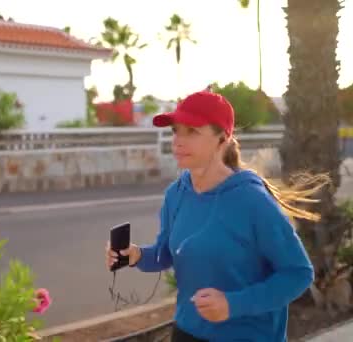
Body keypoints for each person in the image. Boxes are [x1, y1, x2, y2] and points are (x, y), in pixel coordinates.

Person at [105, 91, 329, 341]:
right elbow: (166, 253)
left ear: (222, 139)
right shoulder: (175, 194)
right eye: (176, 130)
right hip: (187, 332)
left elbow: (298, 273)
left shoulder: (252, 201)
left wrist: (232, 304)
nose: (178, 141)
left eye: (192, 131)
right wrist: (137, 255)